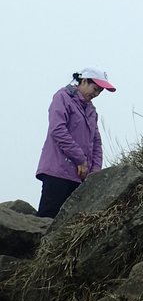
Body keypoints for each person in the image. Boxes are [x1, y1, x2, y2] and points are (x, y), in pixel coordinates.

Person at [36, 67, 117, 218]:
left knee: (69, 226)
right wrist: (80, 159)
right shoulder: (62, 97)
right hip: (57, 172)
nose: (96, 94)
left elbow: (96, 143)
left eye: (100, 91)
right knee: (48, 219)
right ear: (84, 81)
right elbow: (57, 129)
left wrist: (94, 173)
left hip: (79, 178)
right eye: (95, 88)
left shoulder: (91, 111)